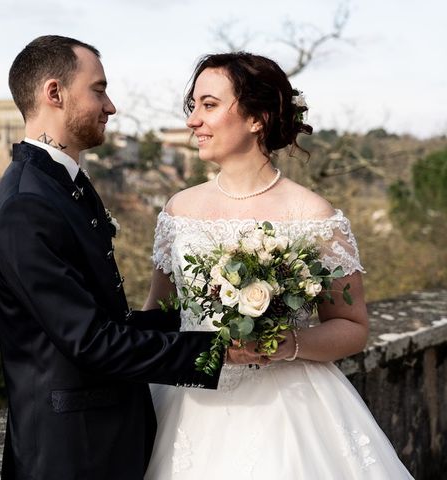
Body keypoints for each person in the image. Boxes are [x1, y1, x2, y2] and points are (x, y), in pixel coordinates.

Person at [143, 52, 414, 479]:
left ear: (257, 118)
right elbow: (158, 317)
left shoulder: (314, 215)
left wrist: (288, 343)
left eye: (209, 105)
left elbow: (353, 326)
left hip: (290, 412)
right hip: (188, 403)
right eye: (192, 106)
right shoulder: (178, 211)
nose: (193, 120)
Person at [0, 35, 231, 480]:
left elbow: (107, 320)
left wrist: (203, 319)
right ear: (54, 93)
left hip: (104, 442)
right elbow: (91, 340)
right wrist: (218, 351)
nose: (111, 106)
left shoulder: (62, 186)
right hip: (71, 456)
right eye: (98, 89)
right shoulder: (26, 205)